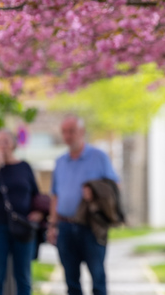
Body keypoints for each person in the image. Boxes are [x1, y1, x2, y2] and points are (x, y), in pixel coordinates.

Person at [47, 116, 120, 295]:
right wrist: (52, 226)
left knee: (97, 278)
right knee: (71, 281)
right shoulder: (60, 162)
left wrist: (95, 192)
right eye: (64, 132)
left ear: (82, 132)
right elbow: (55, 196)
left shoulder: (99, 157)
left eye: (71, 131)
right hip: (65, 227)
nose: (67, 136)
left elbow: (114, 188)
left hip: (91, 226)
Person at [0, 129, 43, 295]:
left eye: (6, 142)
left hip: (22, 226)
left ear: (14, 144)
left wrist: (39, 213)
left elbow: (36, 195)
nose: (2, 146)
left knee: (23, 276)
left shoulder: (24, 167)